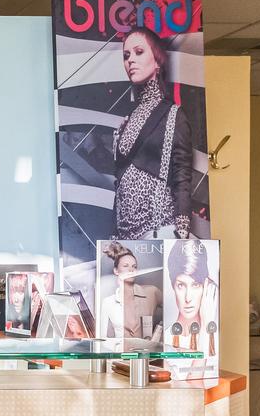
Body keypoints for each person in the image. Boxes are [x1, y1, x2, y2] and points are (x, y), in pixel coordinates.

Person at [78, 27, 196, 238]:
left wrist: (183, 228)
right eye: (126, 55)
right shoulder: (127, 121)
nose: (130, 60)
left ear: (158, 60)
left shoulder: (173, 114)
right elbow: (119, 182)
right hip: (125, 235)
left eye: (139, 52)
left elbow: (182, 176)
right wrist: (114, 235)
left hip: (160, 228)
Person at [98, 242, 162, 341]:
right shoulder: (108, 302)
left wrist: (158, 335)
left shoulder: (151, 292)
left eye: (134, 266)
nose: (131, 270)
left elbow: (173, 311)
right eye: (126, 266)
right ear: (116, 271)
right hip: (120, 353)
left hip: (146, 353)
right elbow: (102, 338)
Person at [165, 239, 218, 359]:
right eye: (181, 285)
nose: (188, 298)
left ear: (206, 286)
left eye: (195, 285)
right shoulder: (165, 340)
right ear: (173, 286)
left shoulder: (219, 338)